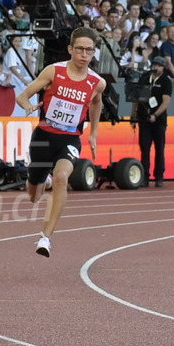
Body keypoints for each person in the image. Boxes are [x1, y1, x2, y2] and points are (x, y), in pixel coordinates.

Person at [16, 27, 106, 257]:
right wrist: (28, 106)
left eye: (89, 50)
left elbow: (97, 103)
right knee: (34, 196)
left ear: (94, 52)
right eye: (80, 49)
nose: (84, 54)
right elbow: (22, 95)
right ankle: (40, 178)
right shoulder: (53, 71)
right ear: (70, 49)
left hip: (70, 139)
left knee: (62, 177)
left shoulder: (97, 82)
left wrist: (93, 133)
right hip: (43, 138)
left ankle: (45, 237)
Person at [135, 56, 172, 187]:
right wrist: (134, 113)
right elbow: (137, 96)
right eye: (155, 64)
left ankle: (159, 176)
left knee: (159, 148)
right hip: (143, 118)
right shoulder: (145, 77)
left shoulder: (166, 81)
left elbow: (166, 102)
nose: (156, 67)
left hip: (158, 120)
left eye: (159, 65)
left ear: (163, 68)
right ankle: (144, 176)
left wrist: (155, 115)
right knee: (144, 148)